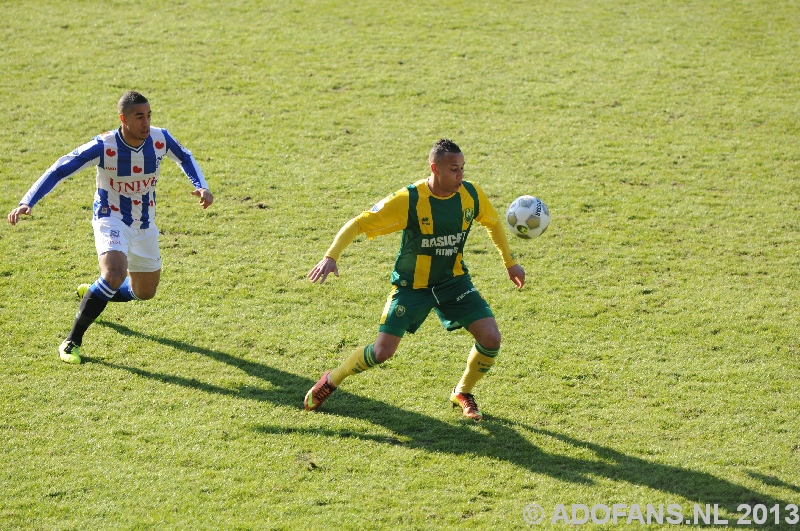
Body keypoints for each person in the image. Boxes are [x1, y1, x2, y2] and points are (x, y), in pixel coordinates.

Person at [304, 138, 525, 420]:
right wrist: (330, 256)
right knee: (382, 352)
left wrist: (510, 263)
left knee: (491, 338)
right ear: (435, 168)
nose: (461, 175)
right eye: (454, 169)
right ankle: (333, 379)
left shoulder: (471, 195)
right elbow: (359, 223)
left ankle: (463, 391)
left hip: (453, 282)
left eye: (463, 169)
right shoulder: (409, 200)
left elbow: (493, 223)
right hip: (412, 287)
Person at [7, 91, 213, 364]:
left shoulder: (160, 139)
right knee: (115, 273)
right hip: (110, 217)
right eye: (139, 117)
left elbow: (185, 157)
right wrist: (27, 201)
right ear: (123, 119)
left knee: (145, 293)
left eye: (149, 115)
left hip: (145, 222)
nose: (146, 122)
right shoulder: (104, 146)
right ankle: (71, 342)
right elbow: (59, 168)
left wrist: (201, 187)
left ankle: (95, 292)